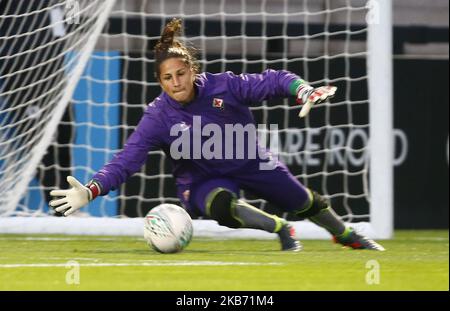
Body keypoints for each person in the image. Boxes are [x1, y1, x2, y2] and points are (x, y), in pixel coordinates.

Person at [50, 18, 384, 252]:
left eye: (181, 74)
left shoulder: (224, 85)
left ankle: (346, 235)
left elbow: (273, 80)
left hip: (252, 161)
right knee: (222, 205)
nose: (176, 82)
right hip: (200, 180)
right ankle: (280, 228)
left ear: (193, 71)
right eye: (168, 78)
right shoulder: (157, 117)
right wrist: (92, 190)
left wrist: (303, 90)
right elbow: (126, 162)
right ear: (160, 82)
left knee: (304, 202)